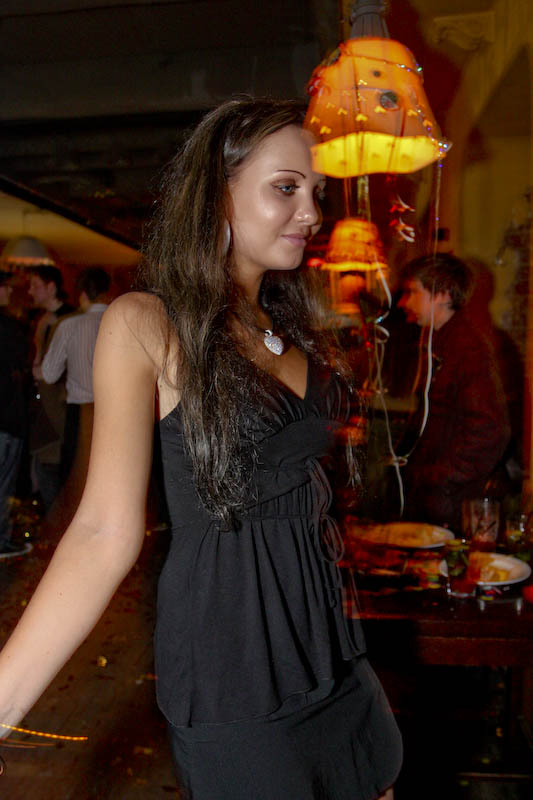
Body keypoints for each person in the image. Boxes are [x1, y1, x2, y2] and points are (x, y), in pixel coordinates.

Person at [0, 99, 401, 799]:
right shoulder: (146, 323)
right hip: (233, 665)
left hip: (333, 655)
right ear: (216, 194)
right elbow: (102, 532)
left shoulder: (293, 330)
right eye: (285, 187)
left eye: (315, 191)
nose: (310, 212)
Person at [396, 252, 510, 531]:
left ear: (443, 295)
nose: (404, 302)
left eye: (413, 292)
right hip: (436, 496)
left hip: (450, 502)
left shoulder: (467, 349)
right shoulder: (440, 341)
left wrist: (442, 477)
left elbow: (491, 429)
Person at [37, 267, 110, 481]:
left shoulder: (69, 325)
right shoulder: (124, 322)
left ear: (82, 294)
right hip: (115, 414)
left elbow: (49, 375)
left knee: (75, 480)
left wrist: (39, 341)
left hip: (80, 415)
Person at [27, 265, 74, 509]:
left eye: (35, 285)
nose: (29, 291)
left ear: (51, 287)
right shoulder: (45, 320)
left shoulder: (67, 321)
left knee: (52, 476)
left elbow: (46, 372)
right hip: (48, 410)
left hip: (60, 412)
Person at [0, 271, 32, 559]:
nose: (10, 292)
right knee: (3, 484)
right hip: (6, 419)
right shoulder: (9, 329)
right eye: (6, 288)